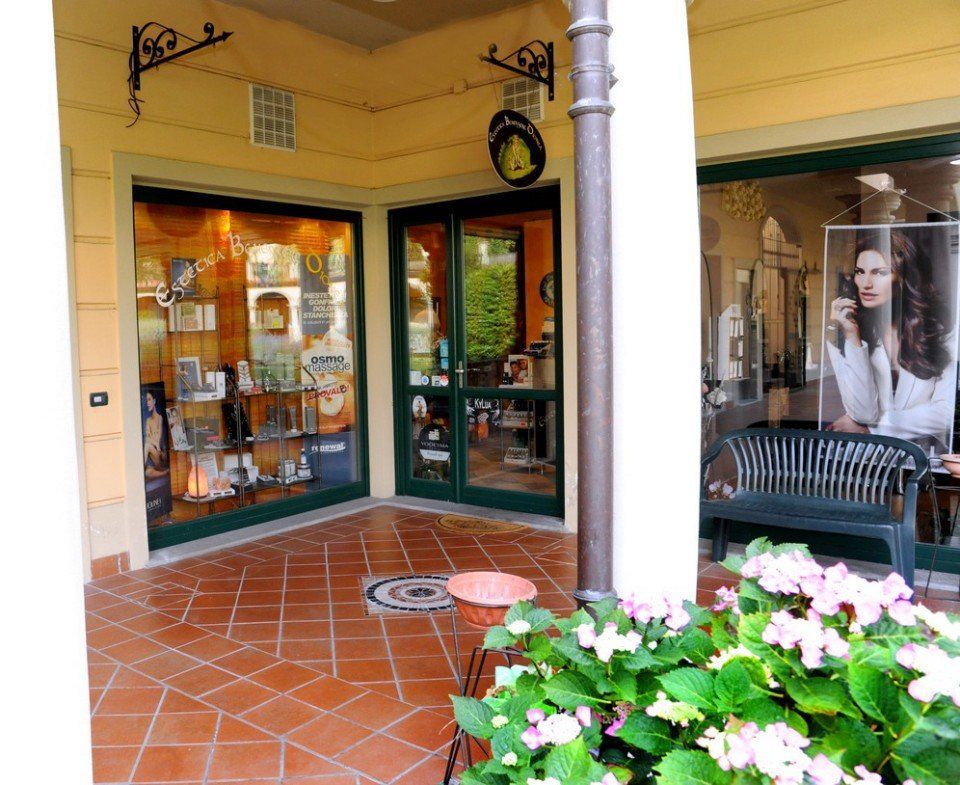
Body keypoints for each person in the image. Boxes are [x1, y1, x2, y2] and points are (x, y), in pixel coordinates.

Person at [826, 228, 955, 445]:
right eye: (860, 272)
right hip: (865, 457)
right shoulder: (846, 334)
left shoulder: (941, 332)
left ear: (904, 278)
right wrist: (852, 338)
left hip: (918, 455)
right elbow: (862, 412)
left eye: (880, 273)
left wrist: (874, 428)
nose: (866, 283)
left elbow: (945, 413)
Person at [143, 389, 169, 478]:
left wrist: (155, 443)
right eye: (146, 401)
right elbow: (147, 438)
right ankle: (163, 473)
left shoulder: (159, 418)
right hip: (153, 456)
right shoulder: (148, 420)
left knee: (147, 445)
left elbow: (158, 441)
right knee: (147, 472)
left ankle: (139, 469)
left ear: (154, 401)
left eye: (149, 400)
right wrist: (155, 443)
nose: (147, 403)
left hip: (160, 455)